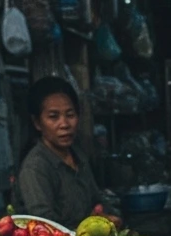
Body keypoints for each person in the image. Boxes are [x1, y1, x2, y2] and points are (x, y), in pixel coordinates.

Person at [12, 76, 106, 225]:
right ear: (37, 123)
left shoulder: (78, 155)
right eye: (53, 117)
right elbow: (45, 225)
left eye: (70, 115)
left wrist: (108, 215)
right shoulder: (35, 168)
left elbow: (98, 200)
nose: (64, 124)